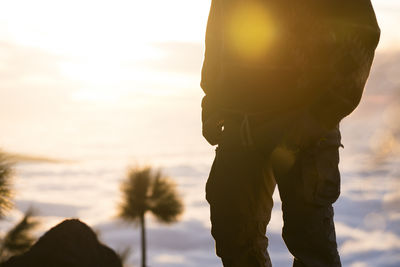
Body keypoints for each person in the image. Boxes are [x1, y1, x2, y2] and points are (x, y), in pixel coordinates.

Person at [201, 1, 380, 266]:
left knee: (311, 244)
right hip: (240, 124)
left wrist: (318, 116)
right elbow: (220, 25)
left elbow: (362, 32)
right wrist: (212, 100)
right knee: (234, 234)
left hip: (304, 124)